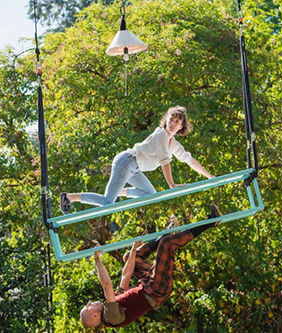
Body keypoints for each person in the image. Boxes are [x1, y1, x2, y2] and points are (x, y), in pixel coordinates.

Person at [79, 203, 222, 328]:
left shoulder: (111, 306)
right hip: (156, 291)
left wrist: (134, 250)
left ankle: (168, 232)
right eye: (88, 306)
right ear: (95, 317)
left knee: (129, 257)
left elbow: (125, 275)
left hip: (148, 284)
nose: (90, 302)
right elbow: (107, 285)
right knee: (167, 244)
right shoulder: (111, 317)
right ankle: (210, 222)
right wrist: (97, 260)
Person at [60, 105, 215, 215]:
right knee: (107, 203)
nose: (173, 124)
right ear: (166, 120)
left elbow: (189, 159)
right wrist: (172, 185)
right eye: (171, 120)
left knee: (150, 194)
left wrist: (210, 177)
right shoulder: (161, 134)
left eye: (177, 122)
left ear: (182, 126)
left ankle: (120, 190)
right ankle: (69, 197)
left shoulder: (173, 144)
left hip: (134, 168)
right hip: (127, 161)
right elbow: (164, 162)